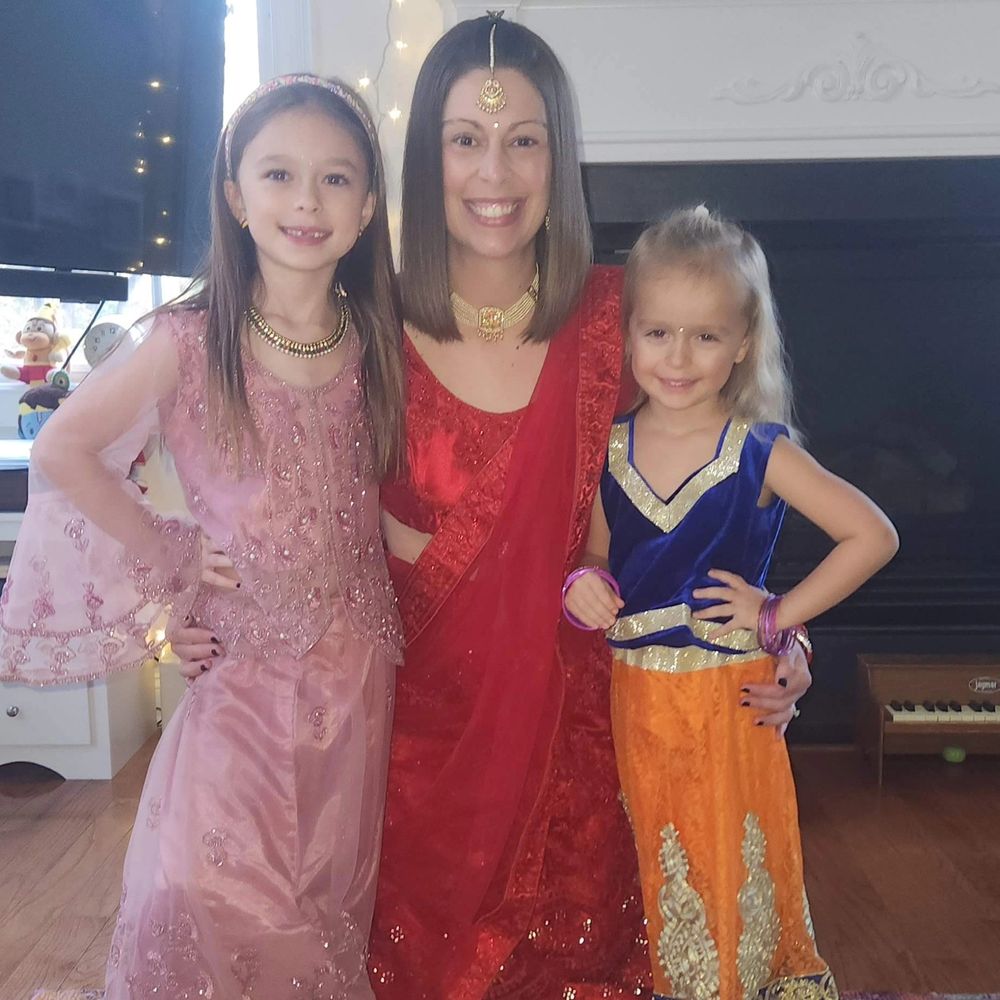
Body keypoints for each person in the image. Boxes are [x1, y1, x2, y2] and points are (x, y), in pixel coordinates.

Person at [173, 17, 812, 999]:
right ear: (424, 158)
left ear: (560, 155)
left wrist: (775, 629)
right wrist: (190, 585)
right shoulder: (358, 315)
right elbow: (254, 470)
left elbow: (722, 478)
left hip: (585, 733)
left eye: (524, 139)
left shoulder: (622, 317)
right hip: (402, 736)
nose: (494, 173)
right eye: (465, 140)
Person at [0, 74, 405, 999]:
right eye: (278, 174)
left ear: (370, 203)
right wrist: (174, 553)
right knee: (201, 882)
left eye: (337, 180)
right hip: (243, 661)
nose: (307, 201)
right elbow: (64, 447)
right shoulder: (186, 341)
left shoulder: (379, 340)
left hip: (358, 669)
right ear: (234, 194)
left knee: (326, 891)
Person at [563, 207, 899, 999]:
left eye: (706, 337)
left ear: (743, 343)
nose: (678, 357)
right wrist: (583, 581)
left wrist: (779, 617)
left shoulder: (759, 451)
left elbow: (871, 535)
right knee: (663, 872)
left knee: (733, 874)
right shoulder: (609, 447)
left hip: (727, 707)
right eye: (659, 333)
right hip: (637, 707)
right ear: (629, 333)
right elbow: (599, 553)